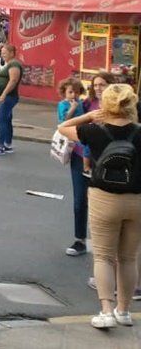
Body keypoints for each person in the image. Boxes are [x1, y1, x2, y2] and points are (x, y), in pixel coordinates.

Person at [59, 84, 141, 330]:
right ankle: (124, 311)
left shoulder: (94, 130)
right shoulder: (139, 132)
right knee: (128, 257)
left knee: (104, 256)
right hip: (136, 199)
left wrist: (90, 115)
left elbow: (63, 127)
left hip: (103, 196)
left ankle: (106, 311)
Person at [58, 76, 89, 257]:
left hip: (92, 153)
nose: (74, 95)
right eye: (70, 92)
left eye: (76, 92)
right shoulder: (64, 105)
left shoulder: (85, 104)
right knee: (79, 200)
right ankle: (80, 239)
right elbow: (63, 123)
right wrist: (73, 109)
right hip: (78, 153)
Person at [0, 43, 23, 156]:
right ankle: (7, 144)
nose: (2, 55)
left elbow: (13, 80)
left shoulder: (14, 64)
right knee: (7, 120)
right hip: (7, 96)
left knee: (2, 120)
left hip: (9, 97)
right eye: (2, 53)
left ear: (11, 53)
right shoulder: (10, 64)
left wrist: (3, 94)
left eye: (4, 53)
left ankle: (0, 146)